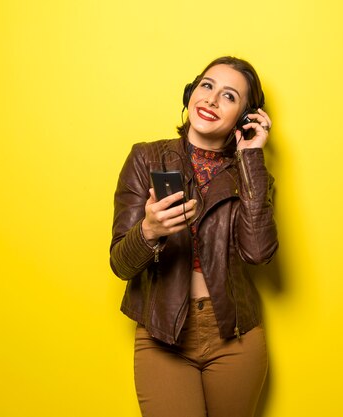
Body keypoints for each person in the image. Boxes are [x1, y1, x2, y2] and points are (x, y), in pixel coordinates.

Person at [109, 56, 278, 417]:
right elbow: (120, 264)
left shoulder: (251, 174)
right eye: (207, 86)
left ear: (245, 118)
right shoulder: (146, 157)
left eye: (230, 96)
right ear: (190, 93)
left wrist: (251, 159)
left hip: (235, 335)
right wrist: (149, 230)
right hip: (162, 335)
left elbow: (259, 252)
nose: (212, 100)